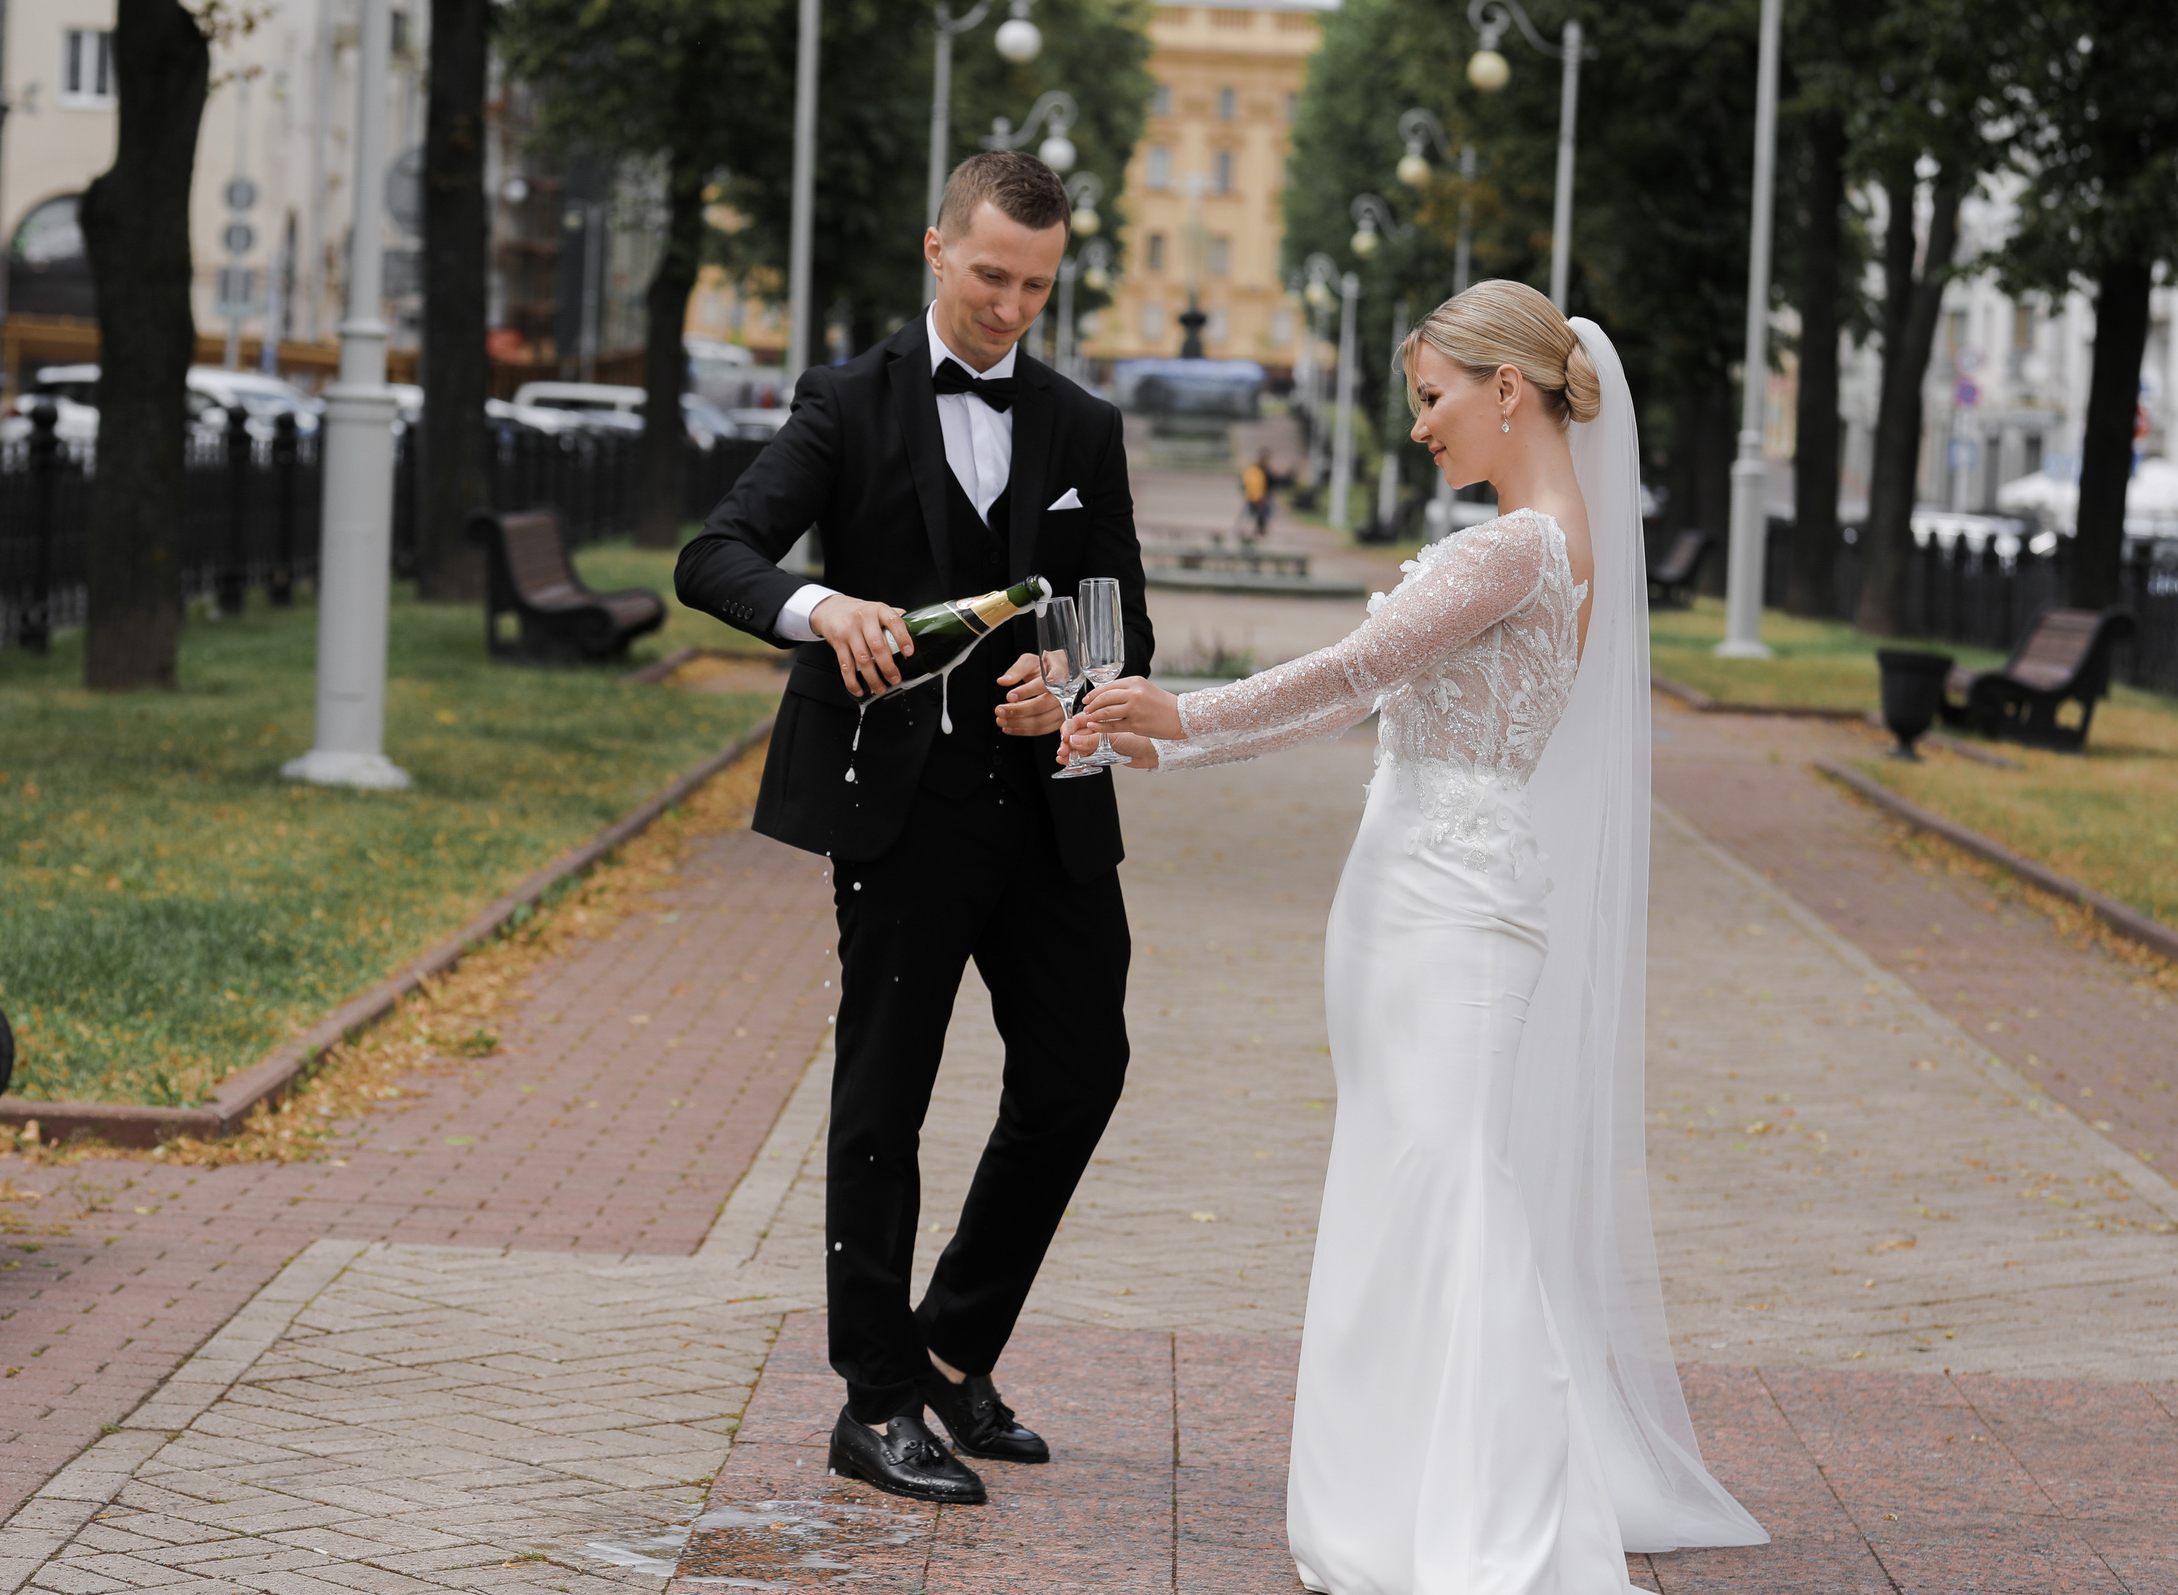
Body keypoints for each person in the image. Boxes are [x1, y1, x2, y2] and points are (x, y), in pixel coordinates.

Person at [1071, 281, 1767, 1591]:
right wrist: (1174, 745)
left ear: (1509, 389)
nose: (1421, 430)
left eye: (1433, 399)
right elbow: (1370, 693)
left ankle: (1496, 1523)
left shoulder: (1516, 547)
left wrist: (1180, 720)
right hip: (1417, 889)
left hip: (1449, 904)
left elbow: (1350, 675)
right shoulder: (1552, 539)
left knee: (1453, 1194)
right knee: (1408, 1191)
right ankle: (1395, 1512)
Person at [674, 151, 1153, 1507]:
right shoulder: (846, 401)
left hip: (1052, 811)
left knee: (1080, 1072)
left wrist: (1062, 673)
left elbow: (1124, 618)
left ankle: (952, 1344)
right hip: (900, 820)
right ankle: (875, 1399)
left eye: (1037, 288)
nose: (1010, 307)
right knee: (884, 1103)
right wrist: (822, 610)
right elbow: (715, 554)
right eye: (991, 275)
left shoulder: (1080, 424)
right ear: (935, 249)